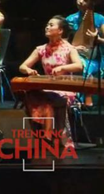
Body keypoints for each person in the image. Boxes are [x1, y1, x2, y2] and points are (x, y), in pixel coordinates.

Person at [18, 16, 83, 150]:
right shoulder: (41, 49)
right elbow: (22, 67)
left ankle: (49, 137)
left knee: (51, 99)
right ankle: (44, 137)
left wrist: (63, 68)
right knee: (32, 96)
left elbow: (79, 65)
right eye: (47, 25)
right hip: (48, 87)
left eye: (51, 25)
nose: (47, 27)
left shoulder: (69, 48)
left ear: (60, 31)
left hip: (64, 88)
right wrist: (29, 70)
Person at [65, 0, 104, 107]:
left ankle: (86, 101)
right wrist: (73, 49)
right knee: (79, 64)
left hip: (95, 57)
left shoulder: (100, 19)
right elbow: (62, 42)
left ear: (92, 3)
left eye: (85, 0)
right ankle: (78, 101)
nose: (81, 1)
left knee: (86, 65)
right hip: (75, 56)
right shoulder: (70, 19)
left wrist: (98, 39)